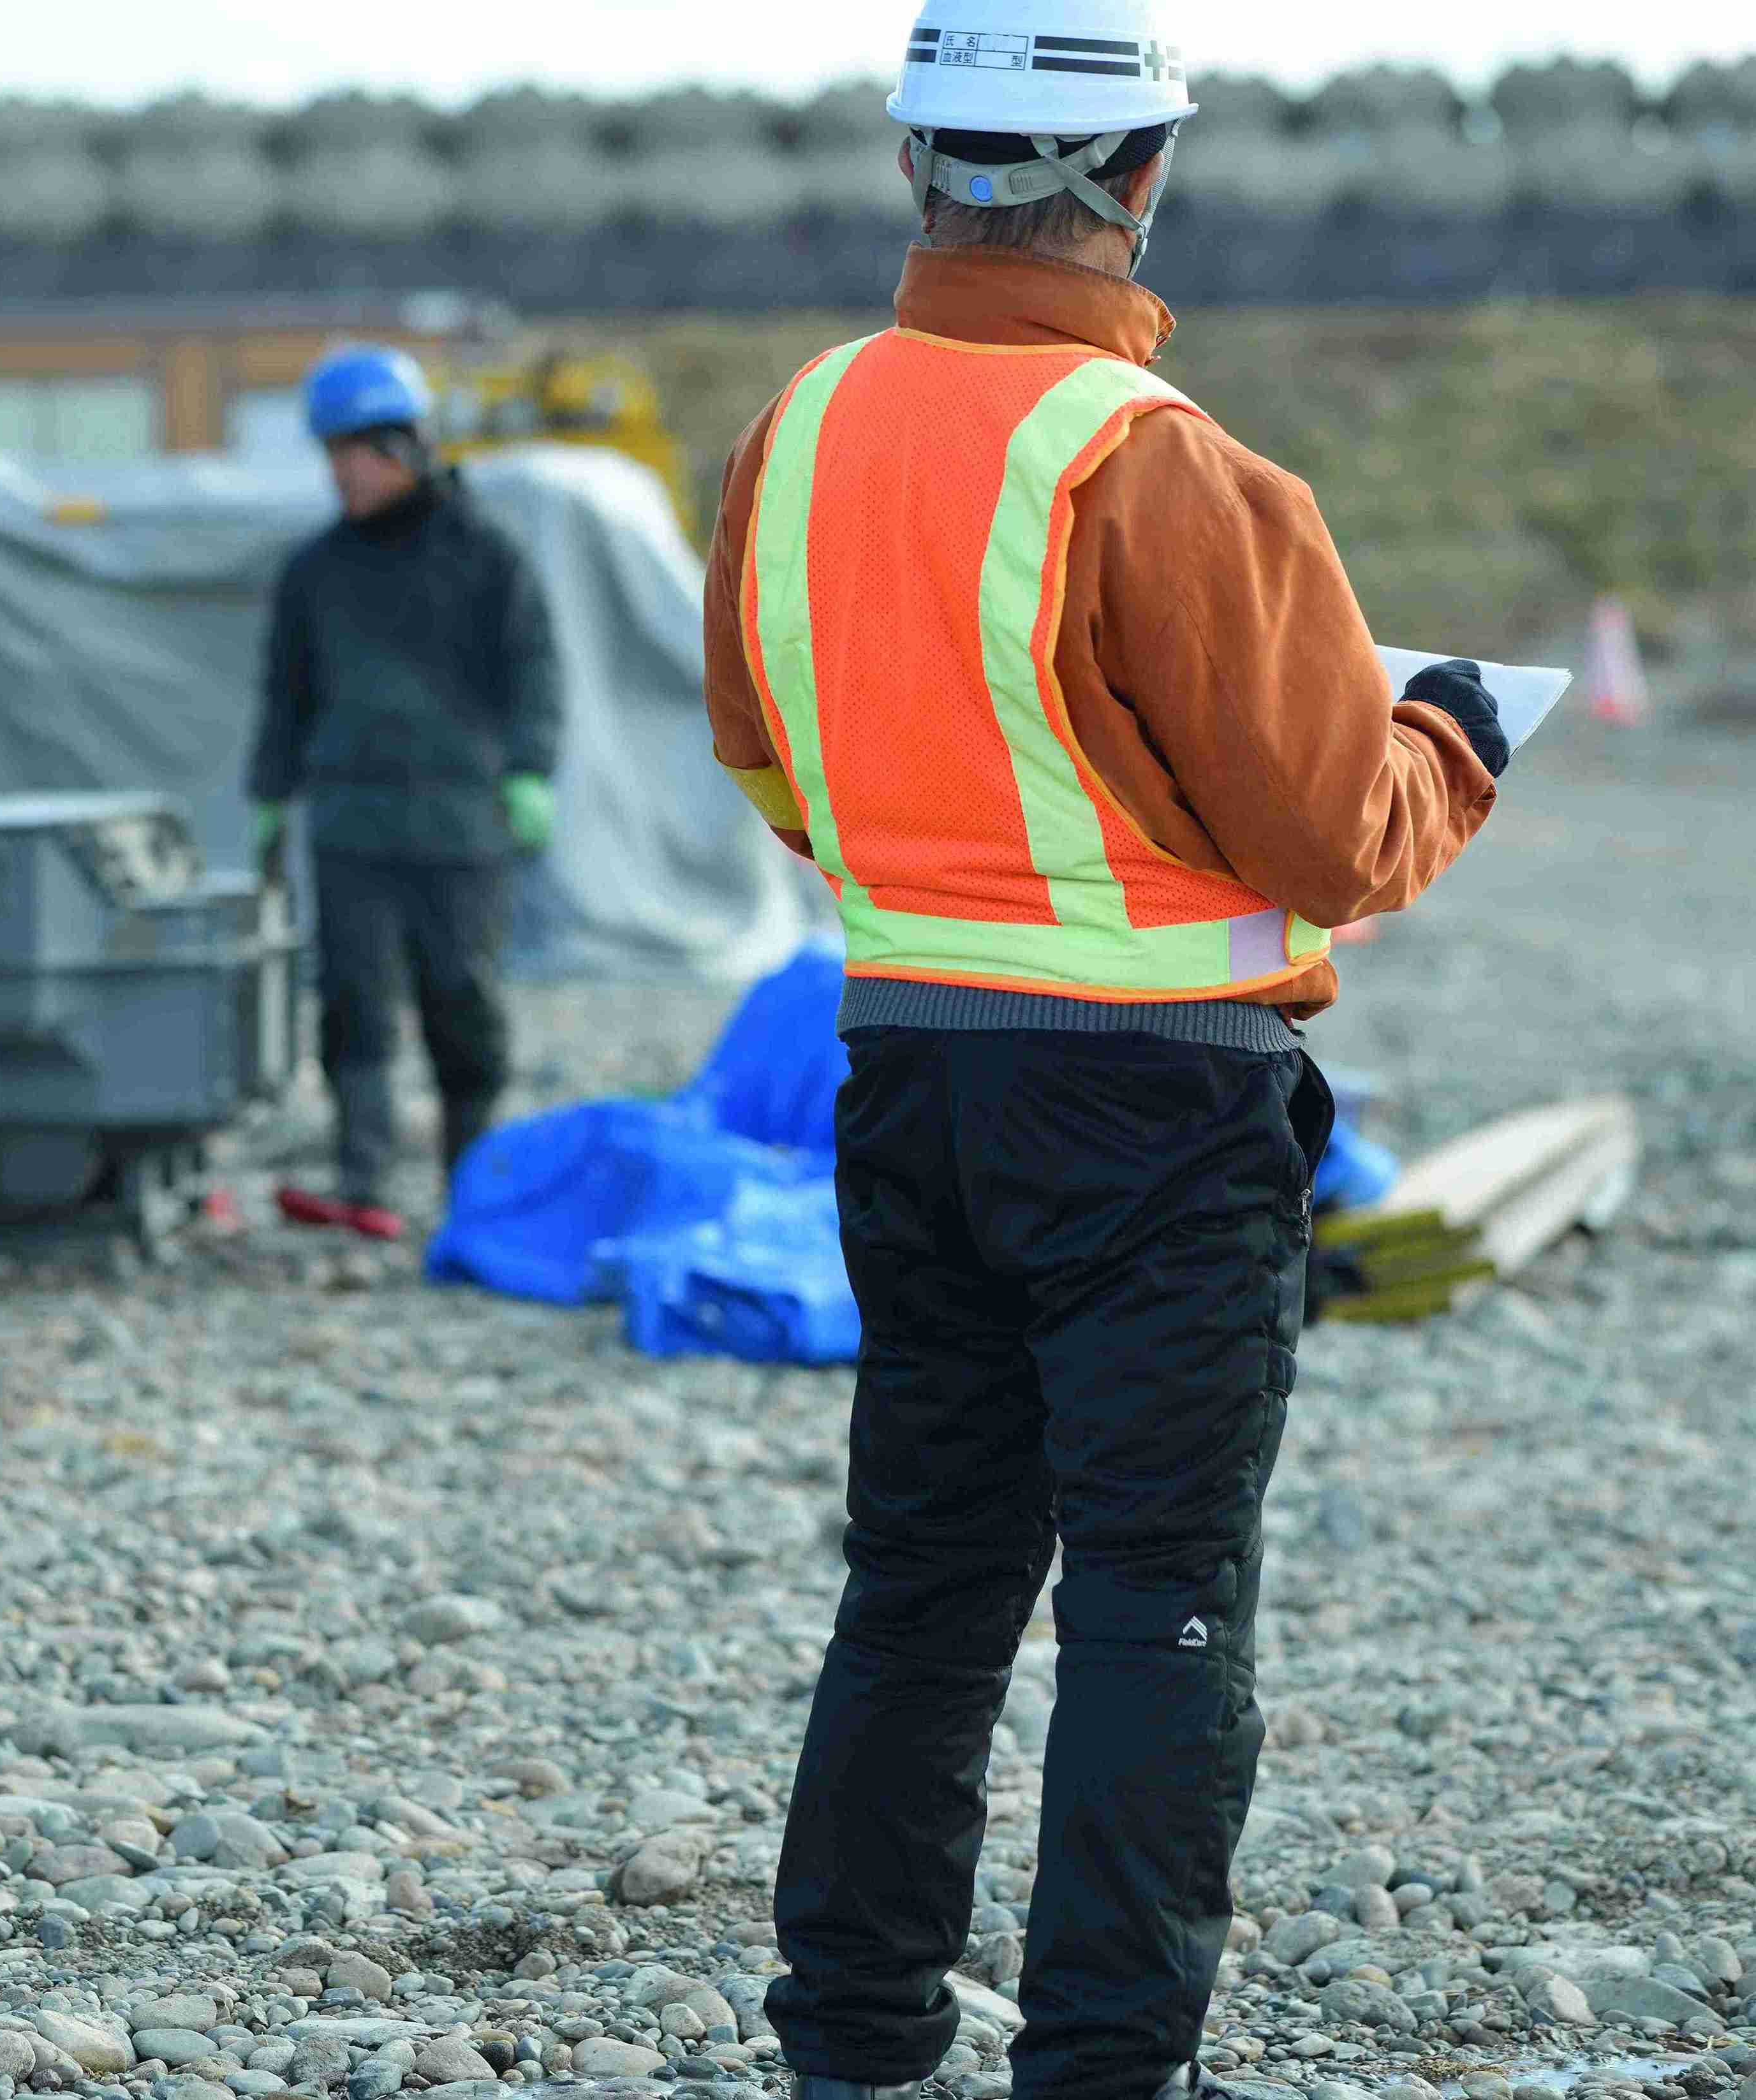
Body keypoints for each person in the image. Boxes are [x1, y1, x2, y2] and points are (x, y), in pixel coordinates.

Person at [699, 8, 1513, 2100]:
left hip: (904, 1076)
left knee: (924, 1596)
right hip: (1155, 1102)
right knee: (1154, 1608)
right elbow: (1333, 834)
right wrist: (1450, 743)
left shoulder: (790, 437)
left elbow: (779, 768)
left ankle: (857, 2053)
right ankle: (1097, 2073)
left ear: (913, 165)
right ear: (1139, 174)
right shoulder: (1157, 464)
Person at [248, 346, 564, 1240]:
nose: (341, 472)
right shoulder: (314, 571)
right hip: (349, 822)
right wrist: (270, 795)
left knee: (461, 1002)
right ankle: (360, 1179)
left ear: (406, 445)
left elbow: (534, 668)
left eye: (356, 451)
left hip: (460, 824)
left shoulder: (486, 557)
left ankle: (470, 1185)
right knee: (350, 1001)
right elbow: (287, 691)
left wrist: (530, 768)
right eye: (331, 455)